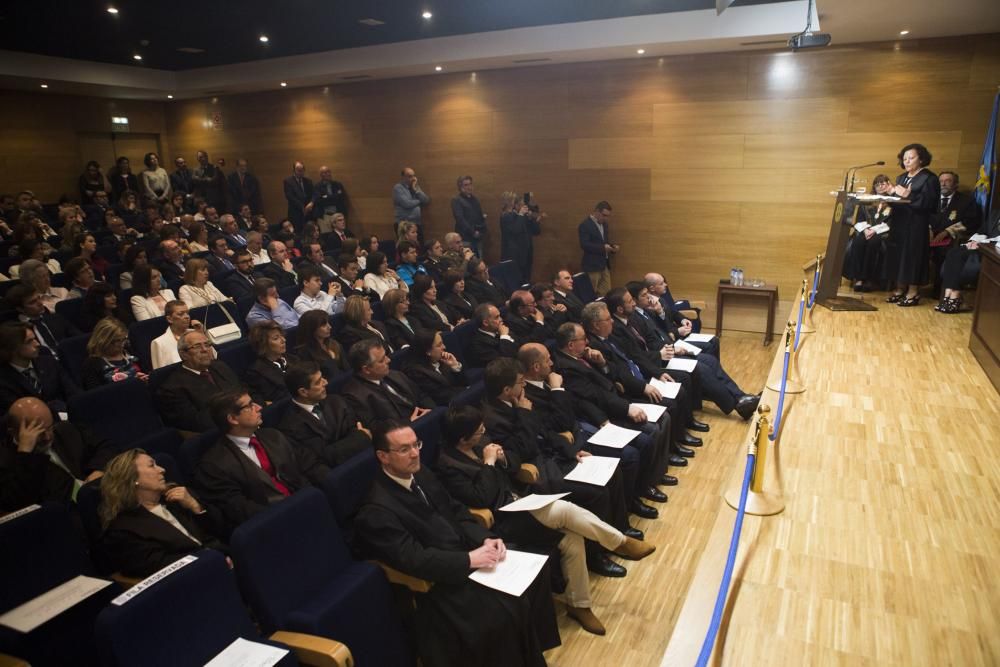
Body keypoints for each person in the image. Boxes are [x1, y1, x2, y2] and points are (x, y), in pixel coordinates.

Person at [354, 419, 559, 667]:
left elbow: (457, 512)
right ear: (383, 457)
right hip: (439, 582)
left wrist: (486, 538)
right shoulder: (376, 509)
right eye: (404, 449)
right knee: (508, 609)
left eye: (416, 444)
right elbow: (414, 558)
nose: (415, 453)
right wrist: (469, 559)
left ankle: (532, 654)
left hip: (466, 551)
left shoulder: (422, 474)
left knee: (536, 575)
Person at [437, 405, 655, 635]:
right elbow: (481, 496)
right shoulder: (449, 466)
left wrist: (501, 459)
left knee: (572, 539)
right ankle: (620, 542)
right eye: (479, 431)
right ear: (463, 439)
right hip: (502, 520)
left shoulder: (480, 443)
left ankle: (579, 605)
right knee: (563, 510)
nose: (483, 433)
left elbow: (513, 464)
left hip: (521, 503)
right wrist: (489, 464)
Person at [481, 358, 636, 578]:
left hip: (554, 458)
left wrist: (571, 451)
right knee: (596, 492)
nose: (523, 386)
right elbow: (522, 451)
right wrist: (524, 413)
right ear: (507, 390)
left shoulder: (517, 400)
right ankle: (597, 557)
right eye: (520, 382)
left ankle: (620, 530)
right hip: (537, 473)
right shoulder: (493, 418)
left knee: (611, 471)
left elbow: (545, 432)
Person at [192, 391, 312, 538]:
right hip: (271, 526)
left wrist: (310, 499)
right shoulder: (215, 465)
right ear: (233, 419)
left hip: (304, 505)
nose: (259, 407)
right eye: (249, 406)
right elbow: (240, 509)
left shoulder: (274, 436)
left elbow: (299, 474)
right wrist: (286, 514)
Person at [98, 448, 228, 578]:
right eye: (151, 465)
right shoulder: (124, 529)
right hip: (193, 578)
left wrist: (196, 506)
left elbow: (221, 529)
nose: (161, 469)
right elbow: (160, 566)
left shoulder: (177, 497)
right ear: (132, 479)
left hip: (223, 558)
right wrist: (212, 560)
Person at [0, 398, 112, 512]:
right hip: (66, 517)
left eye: (49, 428)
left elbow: (105, 447)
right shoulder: (7, 462)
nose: (48, 437)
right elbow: (18, 503)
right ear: (14, 432)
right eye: (39, 433)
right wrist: (25, 453)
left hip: (101, 497)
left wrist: (98, 470)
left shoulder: (64, 430)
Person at [277, 361, 371, 477]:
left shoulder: (336, 401)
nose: (325, 382)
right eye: (318, 382)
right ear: (303, 392)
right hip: (340, 477)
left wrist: (332, 451)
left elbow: (358, 431)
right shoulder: (290, 427)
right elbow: (316, 464)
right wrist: (360, 438)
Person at [885, 143, 940, 306]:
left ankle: (913, 292)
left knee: (912, 257)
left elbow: (930, 204)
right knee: (899, 256)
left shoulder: (930, 178)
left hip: (916, 224)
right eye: (905, 158)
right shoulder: (901, 177)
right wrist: (891, 196)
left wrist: (909, 195)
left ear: (921, 159)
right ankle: (900, 289)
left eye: (911, 158)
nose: (907, 161)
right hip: (899, 223)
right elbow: (898, 202)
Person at [154, 330, 241, 433]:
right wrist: (239, 417)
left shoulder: (219, 366)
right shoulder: (171, 389)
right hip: (221, 434)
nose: (205, 349)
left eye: (207, 344)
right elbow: (197, 423)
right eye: (197, 346)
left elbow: (242, 390)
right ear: (184, 354)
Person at [343, 339, 435, 425]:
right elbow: (376, 428)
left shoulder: (395, 374)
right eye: (382, 360)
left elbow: (421, 395)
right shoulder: (354, 397)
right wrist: (409, 422)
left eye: (386, 355)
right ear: (366, 369)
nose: (388, 360)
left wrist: (432, 412)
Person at [0, 323, 78, 414]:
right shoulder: (4, 380)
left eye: (35, 339)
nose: (37, 344)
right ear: (13, 348)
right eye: (29, 341)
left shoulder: (49, 363)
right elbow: (18, 414)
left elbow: (73, 393)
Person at [938, 209, 1000, 313]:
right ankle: (949, 296)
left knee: (960, 255)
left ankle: (953, 299)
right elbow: (982, 230)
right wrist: (973, 241)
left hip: (991, 253)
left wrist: (982, 243)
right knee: (953, 252)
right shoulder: (996, 213)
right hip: (981, 246)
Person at [929, 171, 982, 294]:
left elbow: (971, 222)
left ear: (956, 184)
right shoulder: (931, 199)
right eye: (941, 181)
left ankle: (940, 290)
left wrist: (947, 231)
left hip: (952, 239)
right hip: (928, 237)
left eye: (948, 181)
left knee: (944, 252)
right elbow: (923, 217)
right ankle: (911, 288)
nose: (943, 184)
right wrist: (928, 229)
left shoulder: (966, 201)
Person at [844, 175, 895, 292]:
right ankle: (858, 278)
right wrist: (866, 230)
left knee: (874, 242)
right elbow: (859, 220)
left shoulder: (894, 202)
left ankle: (869, 279)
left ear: (888, 184)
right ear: (874, 187)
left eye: (883, 184)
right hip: (865, 230)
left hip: (884, 233)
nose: (880, 186)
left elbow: (892, 222)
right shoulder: (867, 201)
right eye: (877, 184)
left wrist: (874, 230)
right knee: (858, 241)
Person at [6, 284, 81, 359]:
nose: (40, 303)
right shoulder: (16, 331)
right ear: (20, 309)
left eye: (38, 298)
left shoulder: (56, 318)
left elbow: (79, 337)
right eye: (32, 302)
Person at [404, 329, 468, 405]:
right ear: (428, 352)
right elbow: (442, 397)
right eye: (439, 345)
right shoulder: (416, 372)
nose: (444, 347)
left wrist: (454, 366)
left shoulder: (441, 359)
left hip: (459, 397)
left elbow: (465, 382)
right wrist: (468, 391)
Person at [81, 318, 148, 389]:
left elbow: (146, 371)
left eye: (124, 339)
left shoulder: (129, 350)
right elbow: (97, 395)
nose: (122, 344)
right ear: (104, 341)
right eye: (118, 340)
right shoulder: (91, 364)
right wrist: (132, 383)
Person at [150, 300, 207, 370]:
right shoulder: (159, 343)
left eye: (187, 313)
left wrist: (201, 335)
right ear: (169, 319)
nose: (187, 317)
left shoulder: (196, 333)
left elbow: (213, 358)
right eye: (181, 314)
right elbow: (160, 374)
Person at [499, 192, 542, 283]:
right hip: (514, 254)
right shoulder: (506, 216)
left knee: (525, 278)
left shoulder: (521, 216)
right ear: (514, 204)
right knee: (515, 279)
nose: (524, 206)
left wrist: (533, 219)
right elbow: (516, 230)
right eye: (521, 204)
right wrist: (521, 215)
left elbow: (536, 231)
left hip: (525, 252)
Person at [578, 201, 618, 296]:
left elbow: (604, 242)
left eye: (608, 216)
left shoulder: (604, 225)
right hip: (592, 265)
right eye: (604, 215)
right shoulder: (585, 225)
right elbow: (584, 245)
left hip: (604, 264)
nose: (605, 218)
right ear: (596, 211)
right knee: (590, 293)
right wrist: (603, 248)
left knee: (606, 292)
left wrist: (612, 247)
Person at [293, 310, 347, 380]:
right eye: (323, 325)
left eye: (328, 323)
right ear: (311, 329)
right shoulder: (304, 353)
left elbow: (347, 368)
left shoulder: (334, 343)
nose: (329, 327)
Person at [467, 303, 516, 368]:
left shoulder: (498, 331)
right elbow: (503, 362)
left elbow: (517, 345)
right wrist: (504, 336)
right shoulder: (478, 343)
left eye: (500, 316)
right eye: (497, 317)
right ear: (485, 323)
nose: (501, 319)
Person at [451, 175, 487, 257]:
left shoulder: (475, 199)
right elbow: (460, 219)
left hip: (478, 237)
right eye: (466, 185)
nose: (469, 187)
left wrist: (481, 230)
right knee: (469, 263)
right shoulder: (456, 200)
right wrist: (473, 232)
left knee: (479, 262)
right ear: (460, 187)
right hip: (465, 238)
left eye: (470, 184)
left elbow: (480, 216)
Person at [392, 166, 430, 234]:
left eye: (414, 176)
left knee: (419, 244)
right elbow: (407, 204)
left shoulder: (415, 186)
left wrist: (416, 190)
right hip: (404, 225)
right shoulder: (398, 188)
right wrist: (419, 201)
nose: (413, 179)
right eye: (410, 176)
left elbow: (426, 200)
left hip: (416, 223)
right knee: (406, 244)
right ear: (403, 177)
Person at [283, 161, 314, 231]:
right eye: (298, 170)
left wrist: (311, 203)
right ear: (294, 170)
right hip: (296, 212)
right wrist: (302, 207)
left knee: (309, 230)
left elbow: (313, 194)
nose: (301, 172)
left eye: (302, 170)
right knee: (297, 232)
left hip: (308, 212)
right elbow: (290, 196)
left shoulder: (308, 181)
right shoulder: (288, 181)